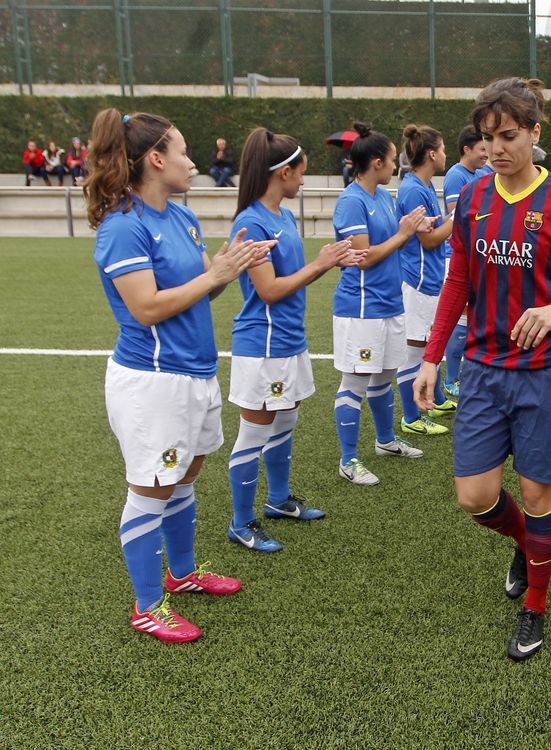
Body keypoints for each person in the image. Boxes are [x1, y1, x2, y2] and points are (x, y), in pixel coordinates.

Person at [412, 77, 551, 662]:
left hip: (547, 372)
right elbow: (458, 281)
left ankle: (536, 607)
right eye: (487, 137)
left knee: (536, 493)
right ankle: (529, 546)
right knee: (475, 496)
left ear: (534, 132)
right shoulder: (473, 196)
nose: (495, 148)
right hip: (483, 368)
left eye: (507, 136)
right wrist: (431, 358)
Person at [87, 109, 273, 642]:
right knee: (152, 489)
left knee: (185, 476)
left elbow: (198, 292)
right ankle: (148, 604)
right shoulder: (124, 227)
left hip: (196, 373)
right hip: (154, 382)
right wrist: (214, 275)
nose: (193, 163)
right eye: (184, 152)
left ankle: (183, 574)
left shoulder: (182, 217)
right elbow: (146, 308)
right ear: (156, 159)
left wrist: (227, 268)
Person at [225, 127, 364, 553]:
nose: (304, 180)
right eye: (301, 172)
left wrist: (335, 260)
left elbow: (291, 276)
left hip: (289, 339)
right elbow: (268, 290)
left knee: (286, 419)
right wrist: (321, 263)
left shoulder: (282, 216)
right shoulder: (250, 221)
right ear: (283, 172)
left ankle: (279, 500)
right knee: (254, 433)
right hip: (262, 344)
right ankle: (241, 522)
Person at [330, 122, 429, 487]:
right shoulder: (352, 201)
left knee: (385, 376)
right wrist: (403, 234)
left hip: (389, 302)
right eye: (391, 160)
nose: (394, 166)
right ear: (376, 163)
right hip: (361, 308)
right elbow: (363, 256)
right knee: (355, 381)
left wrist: (412, 227)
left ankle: (385, 441)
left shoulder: (382, 196)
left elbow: (391, 238)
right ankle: (348, 460)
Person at [395, 124, 458, 436]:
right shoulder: (413, 190)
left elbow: (432, 230)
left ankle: (432, 401)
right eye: (443, 149)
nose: (446, 154)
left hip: (428, 280)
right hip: (416, 282)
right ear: (432, 154)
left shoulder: (424, 185)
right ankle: (411, 418)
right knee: (414, 352)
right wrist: (458, 217)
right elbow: (430, 240)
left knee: (427, 346)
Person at [439, 126, 491, 398]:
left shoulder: (480, 174)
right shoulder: (455, 176)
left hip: (479, 255)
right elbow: (458, 218)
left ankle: (469, 375)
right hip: (458, 257)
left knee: (474, 319)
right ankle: (451, 379)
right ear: (466, 149)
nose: (486, 154)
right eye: (482, 149)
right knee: (460, 319)